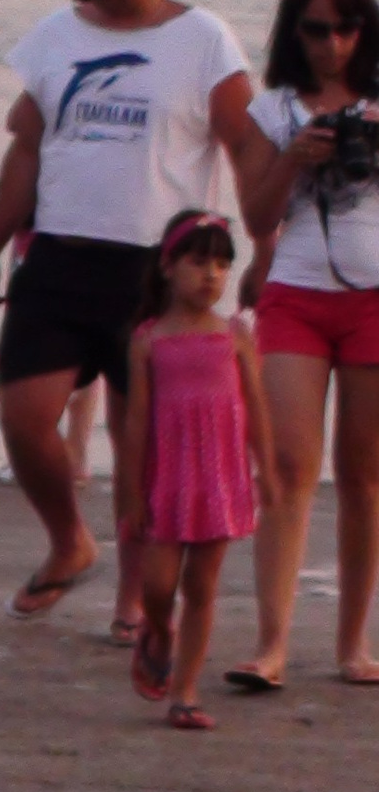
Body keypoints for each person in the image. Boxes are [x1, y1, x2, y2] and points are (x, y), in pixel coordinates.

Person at [0, 0, 253, 625]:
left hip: (154, 267)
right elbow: (26, 149)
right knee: (24, 415)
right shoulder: (55, 36)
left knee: (141, 443)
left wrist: (262, 245)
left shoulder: (204, 39)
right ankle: (69, 541)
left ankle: (136, 597)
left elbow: (245, 147)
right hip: (60, 254)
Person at [227, 0, 379, 689]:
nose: (333, 44)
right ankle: (272, 645)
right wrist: (293, 159)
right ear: (295, 32)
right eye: (318, 30)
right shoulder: (273, 110)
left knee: (364, 477)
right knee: (287, 469)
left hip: (373, 294)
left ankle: (353, 644)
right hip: (295, 291)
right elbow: (257, 218)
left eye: (347, 28)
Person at [118, 212, 272, 730]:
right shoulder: (148, 339)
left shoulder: (235, 335)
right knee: (158, 587)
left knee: (202, 587)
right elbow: (137, 421)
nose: (212, 274)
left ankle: (184, 692)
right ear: (168, 266)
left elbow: (256, 406)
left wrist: (267, 470)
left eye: (223, 265)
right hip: (167, 480)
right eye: (199, 261)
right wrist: (131, 491)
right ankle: (159, 631)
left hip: (219, 480)